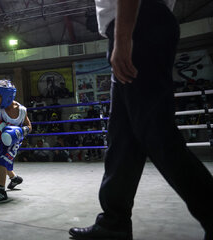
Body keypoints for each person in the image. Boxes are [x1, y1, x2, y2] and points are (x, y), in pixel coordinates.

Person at [69, 0, 213, 239]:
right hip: (136, 23)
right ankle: (113, 223)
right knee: (123, 140)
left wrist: (124, 38)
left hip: (137, 23)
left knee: (157, 133)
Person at [0, 79, 32, 203]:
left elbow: (29, 126)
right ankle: (14, 178)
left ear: (7, 96)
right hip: (1, 138)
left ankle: (1, 191)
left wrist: (21, 131)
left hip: (14, 139)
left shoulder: (22, 110)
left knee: (2, 161)